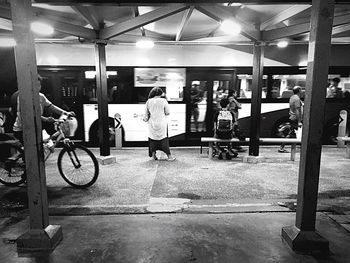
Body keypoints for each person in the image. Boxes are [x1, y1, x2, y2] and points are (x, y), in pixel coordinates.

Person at [12, 75, 74, 144]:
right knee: (35, 150)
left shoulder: (41, 96)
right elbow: (29, 114)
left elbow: (52, 106)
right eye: (35, 85)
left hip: (35, 128)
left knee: (45, 145)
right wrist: (45, 119)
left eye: (39, 85)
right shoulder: (23, 97)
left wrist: (65, 112)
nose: (37, 87)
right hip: (22, 129)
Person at [143, 87, 175, 161]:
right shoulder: (163, 101)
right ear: (160, 94)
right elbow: (167, 112)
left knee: (152, 138)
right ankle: (169, 156)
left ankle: (154, 154)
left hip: (152, 123)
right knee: (164, 139)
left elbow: (146, 114)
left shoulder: (148, 101)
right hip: (162, 123)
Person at [278, 86, 303, 153]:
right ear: (299, 91)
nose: (302, 91)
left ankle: (296, 148)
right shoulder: (297, 99)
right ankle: (282, 147)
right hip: (295, 118)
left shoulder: (292, 97)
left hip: (293, 117)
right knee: (291, 133)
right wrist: (299, 121)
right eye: (301, 90)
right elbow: (298, 110)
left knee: (292, 134)